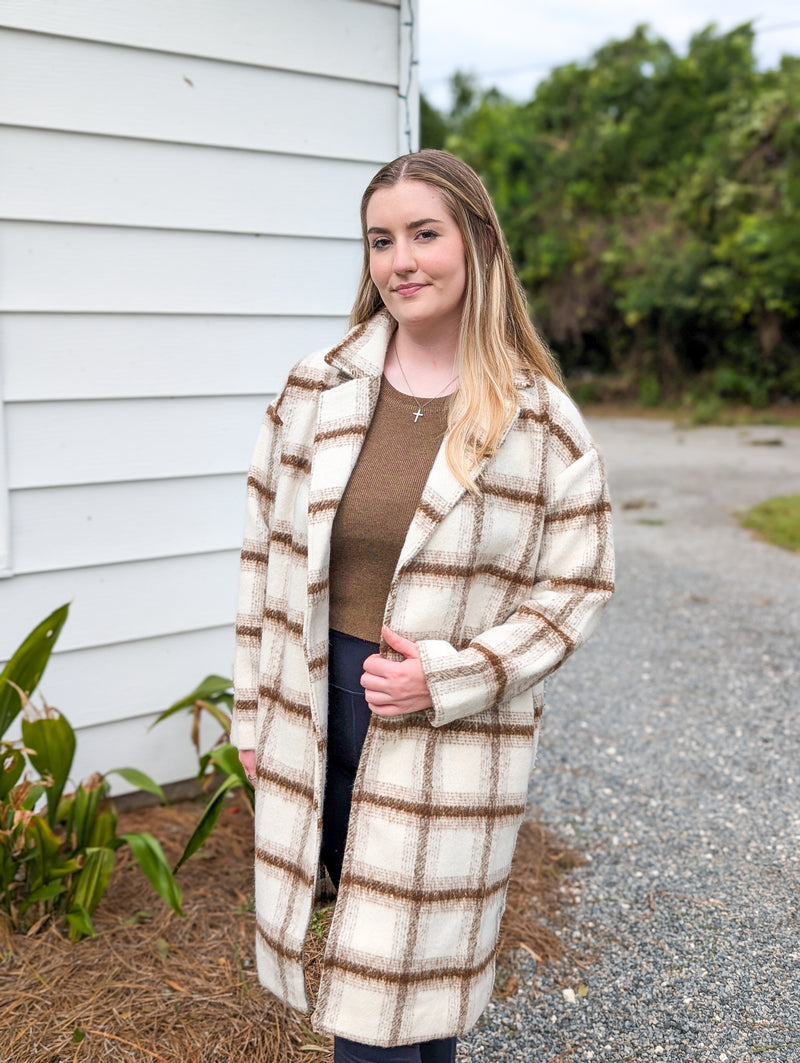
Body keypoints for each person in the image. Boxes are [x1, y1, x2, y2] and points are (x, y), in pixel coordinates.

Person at [233, 149, 614, 1062]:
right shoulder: (315, 386)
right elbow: (262, 552)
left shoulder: (541, 420)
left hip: (450, 735)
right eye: (380, 240)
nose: (401, 259)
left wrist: (451, 678)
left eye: (424, 234)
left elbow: (577, 588)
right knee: (387, 990)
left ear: (478, 242)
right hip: (317, 710)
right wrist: (252, 708)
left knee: (401, 997)